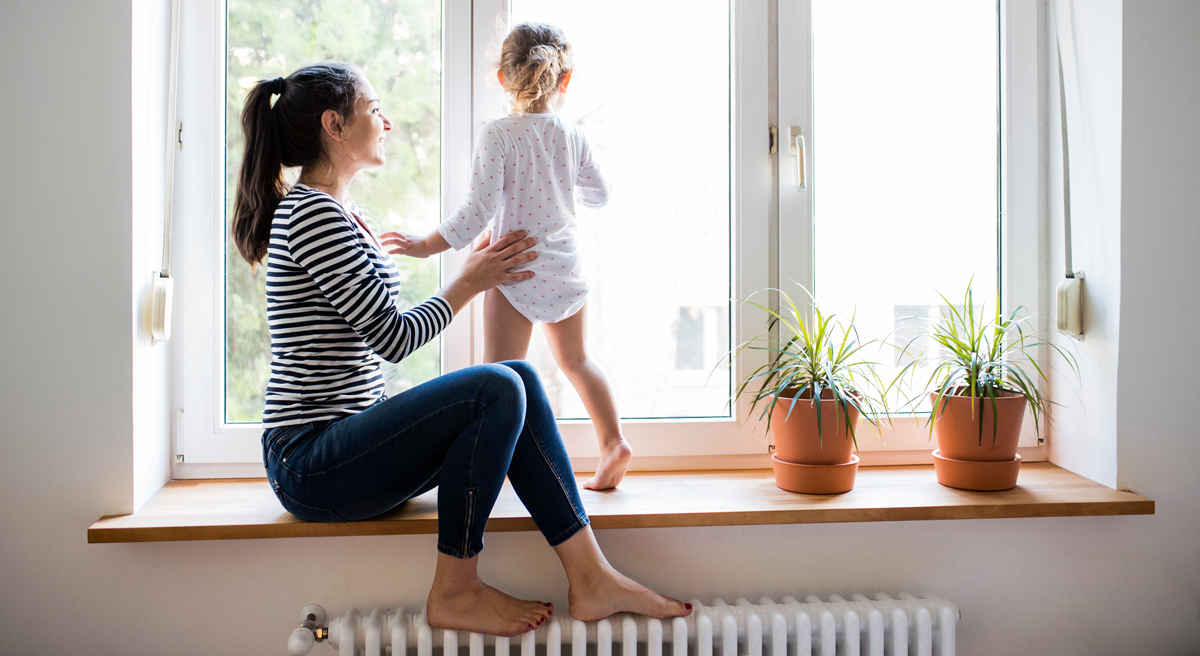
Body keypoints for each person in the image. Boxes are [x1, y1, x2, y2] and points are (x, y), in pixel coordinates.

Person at [232, 62, 690, 636]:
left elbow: (373, 327)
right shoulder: (313, 215)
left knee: (517, 375)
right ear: (335, 125)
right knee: (497, 384)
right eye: (375, 110)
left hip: (345, 445)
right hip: (309, 462)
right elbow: (393, 337)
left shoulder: (346, 215)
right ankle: (455, 589)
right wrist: (469, 281)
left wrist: (471, 272)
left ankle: (591, 575)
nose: (388, 122)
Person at [385, 23, 632, 491]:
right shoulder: (571, 136)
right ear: (566, 80)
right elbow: (600, 194)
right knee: (578, 361)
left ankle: (491, 472)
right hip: (564, 268)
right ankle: (613, 442)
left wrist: (423, 245)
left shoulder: (497, 135)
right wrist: (562, 182)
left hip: (511, 269)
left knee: (496, 379)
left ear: (501, 77)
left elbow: (475, 213)